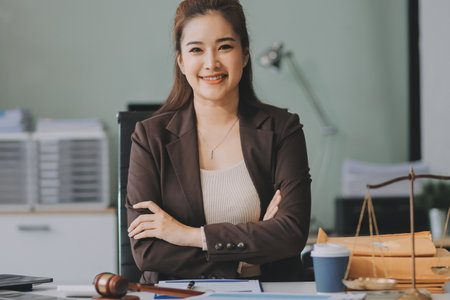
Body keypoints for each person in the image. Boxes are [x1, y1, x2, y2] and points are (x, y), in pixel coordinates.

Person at [126, 0, 311, 284]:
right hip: (180, 293)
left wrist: (189, 235)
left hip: (269, 291)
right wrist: (246, 256)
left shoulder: (282, 130)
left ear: (245, 54)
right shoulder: (150, 137)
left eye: (225, 46)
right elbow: (148, 251)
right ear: (181, 61)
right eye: (196, 49)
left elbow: (291, 234)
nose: (211, 63)